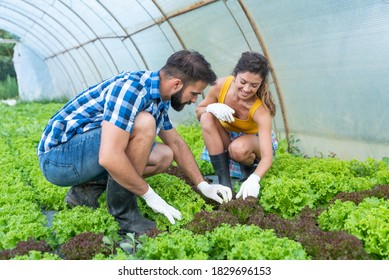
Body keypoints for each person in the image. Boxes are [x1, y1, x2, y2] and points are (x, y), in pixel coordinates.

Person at [37, 50, 232, 236]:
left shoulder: (160, 98)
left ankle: (84, 193)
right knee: (144, 122)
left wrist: (202, 185)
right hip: (58, 159)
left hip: (81, 155)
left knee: (163, 156)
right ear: (177, 84)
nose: (194, 100)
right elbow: (109, 157)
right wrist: (150, 195)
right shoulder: (131, 89)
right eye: (194, 93)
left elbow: (176, 143)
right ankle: (123, 214)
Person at [196, 51, 278, 199]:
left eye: (254, 85)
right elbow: (199, 112)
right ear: (235, 75)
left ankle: (249, 171)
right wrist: (211, 107)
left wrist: (255, 179)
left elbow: (267, 156)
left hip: (254, 141)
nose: (247, 89)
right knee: (206, 117)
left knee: (238, 149)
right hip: (228, 136)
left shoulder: (260, 110)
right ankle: (224, 181)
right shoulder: (220, 86)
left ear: (261, 84)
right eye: (243, 82)